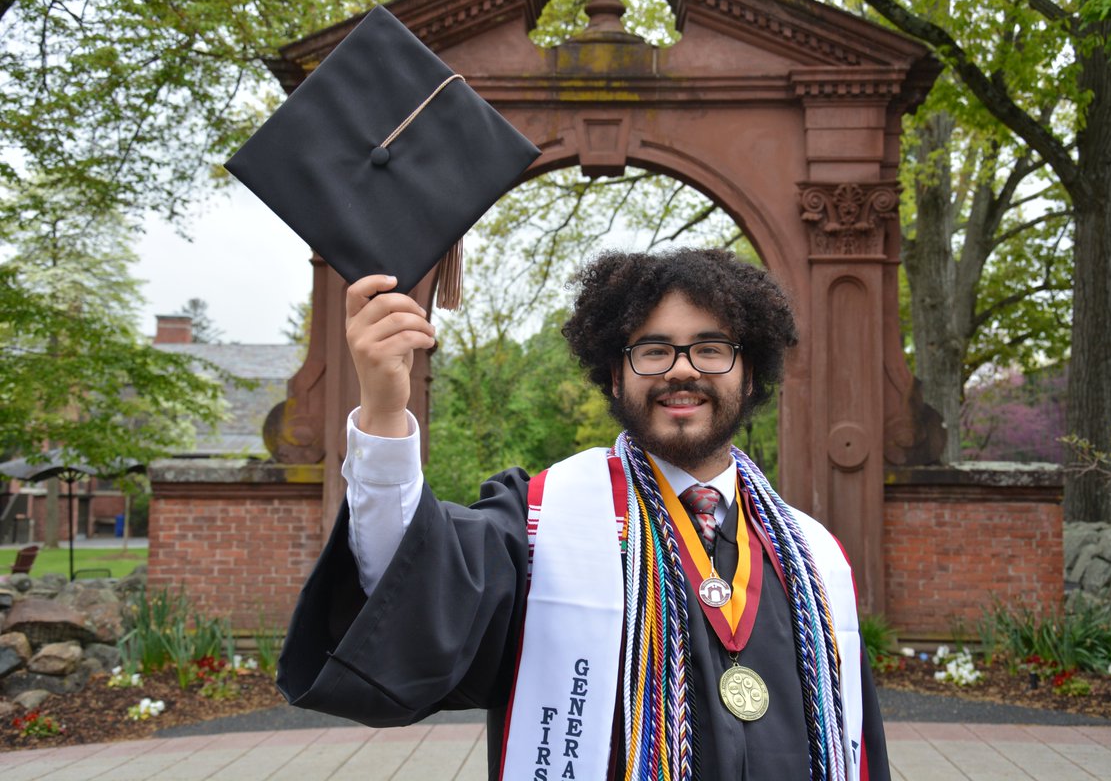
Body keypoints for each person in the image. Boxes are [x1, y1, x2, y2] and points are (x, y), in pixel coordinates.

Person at [277, 248, 890, 781]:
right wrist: (384, 412)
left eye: (710, 349)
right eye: (653, 350)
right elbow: (408, 579)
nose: (682, 368)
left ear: (750, 373)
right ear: (615, 378)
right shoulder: (547, 520)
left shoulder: (815, 561)